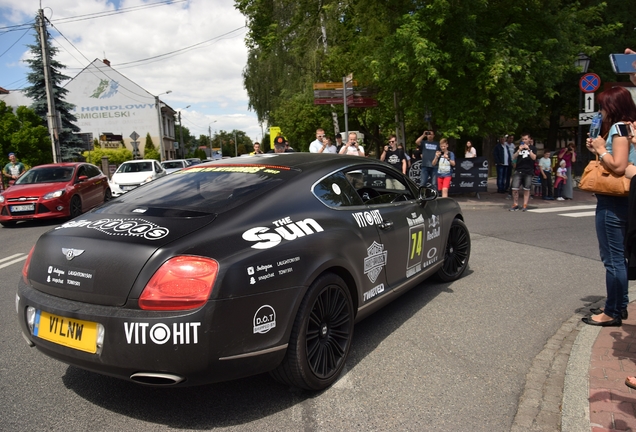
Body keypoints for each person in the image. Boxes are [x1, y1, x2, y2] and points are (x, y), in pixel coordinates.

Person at [582, 85, 636, 327]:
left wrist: (602, 151)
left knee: (613, 259)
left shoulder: (619, 128)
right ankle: (619, 305)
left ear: (612, 107)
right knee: (620, 257)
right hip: (629, 197)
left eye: (603, 106)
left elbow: (619, 166)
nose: (601, 111)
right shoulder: (632, 127)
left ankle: (612, 311)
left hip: (613, 200)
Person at [509, 133, 537, 211]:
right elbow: (513, 157)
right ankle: (515, 204)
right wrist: (519, 150)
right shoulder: (518, 147)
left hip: (528, 170)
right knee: (514, 188)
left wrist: (528, 149)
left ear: (529, 139)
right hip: (519, 170)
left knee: (526, 189)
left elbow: (534, 157)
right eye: (523, 139)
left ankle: (525, 204)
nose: (524, 141)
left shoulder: (533, 148)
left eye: (525, 139)